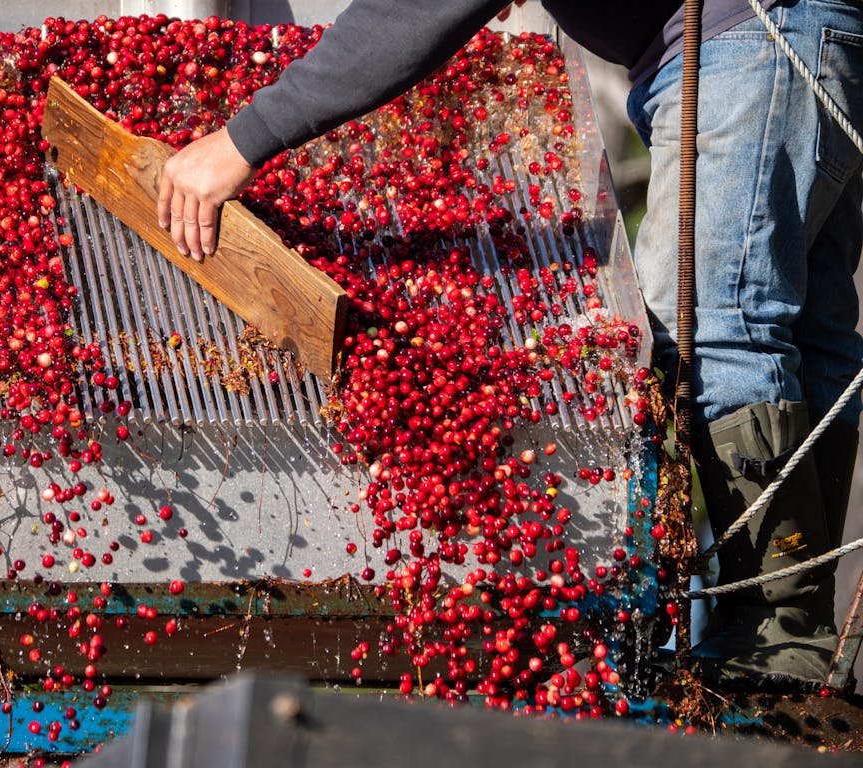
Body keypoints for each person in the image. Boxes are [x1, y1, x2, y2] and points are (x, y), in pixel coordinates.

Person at [157, 0, 863, 690]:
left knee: (713, 324)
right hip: (801, 39)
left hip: (752, 44)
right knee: (803, 331)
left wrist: (241, 141)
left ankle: (774, 631)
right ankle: (793, 631)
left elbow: (409, 15)